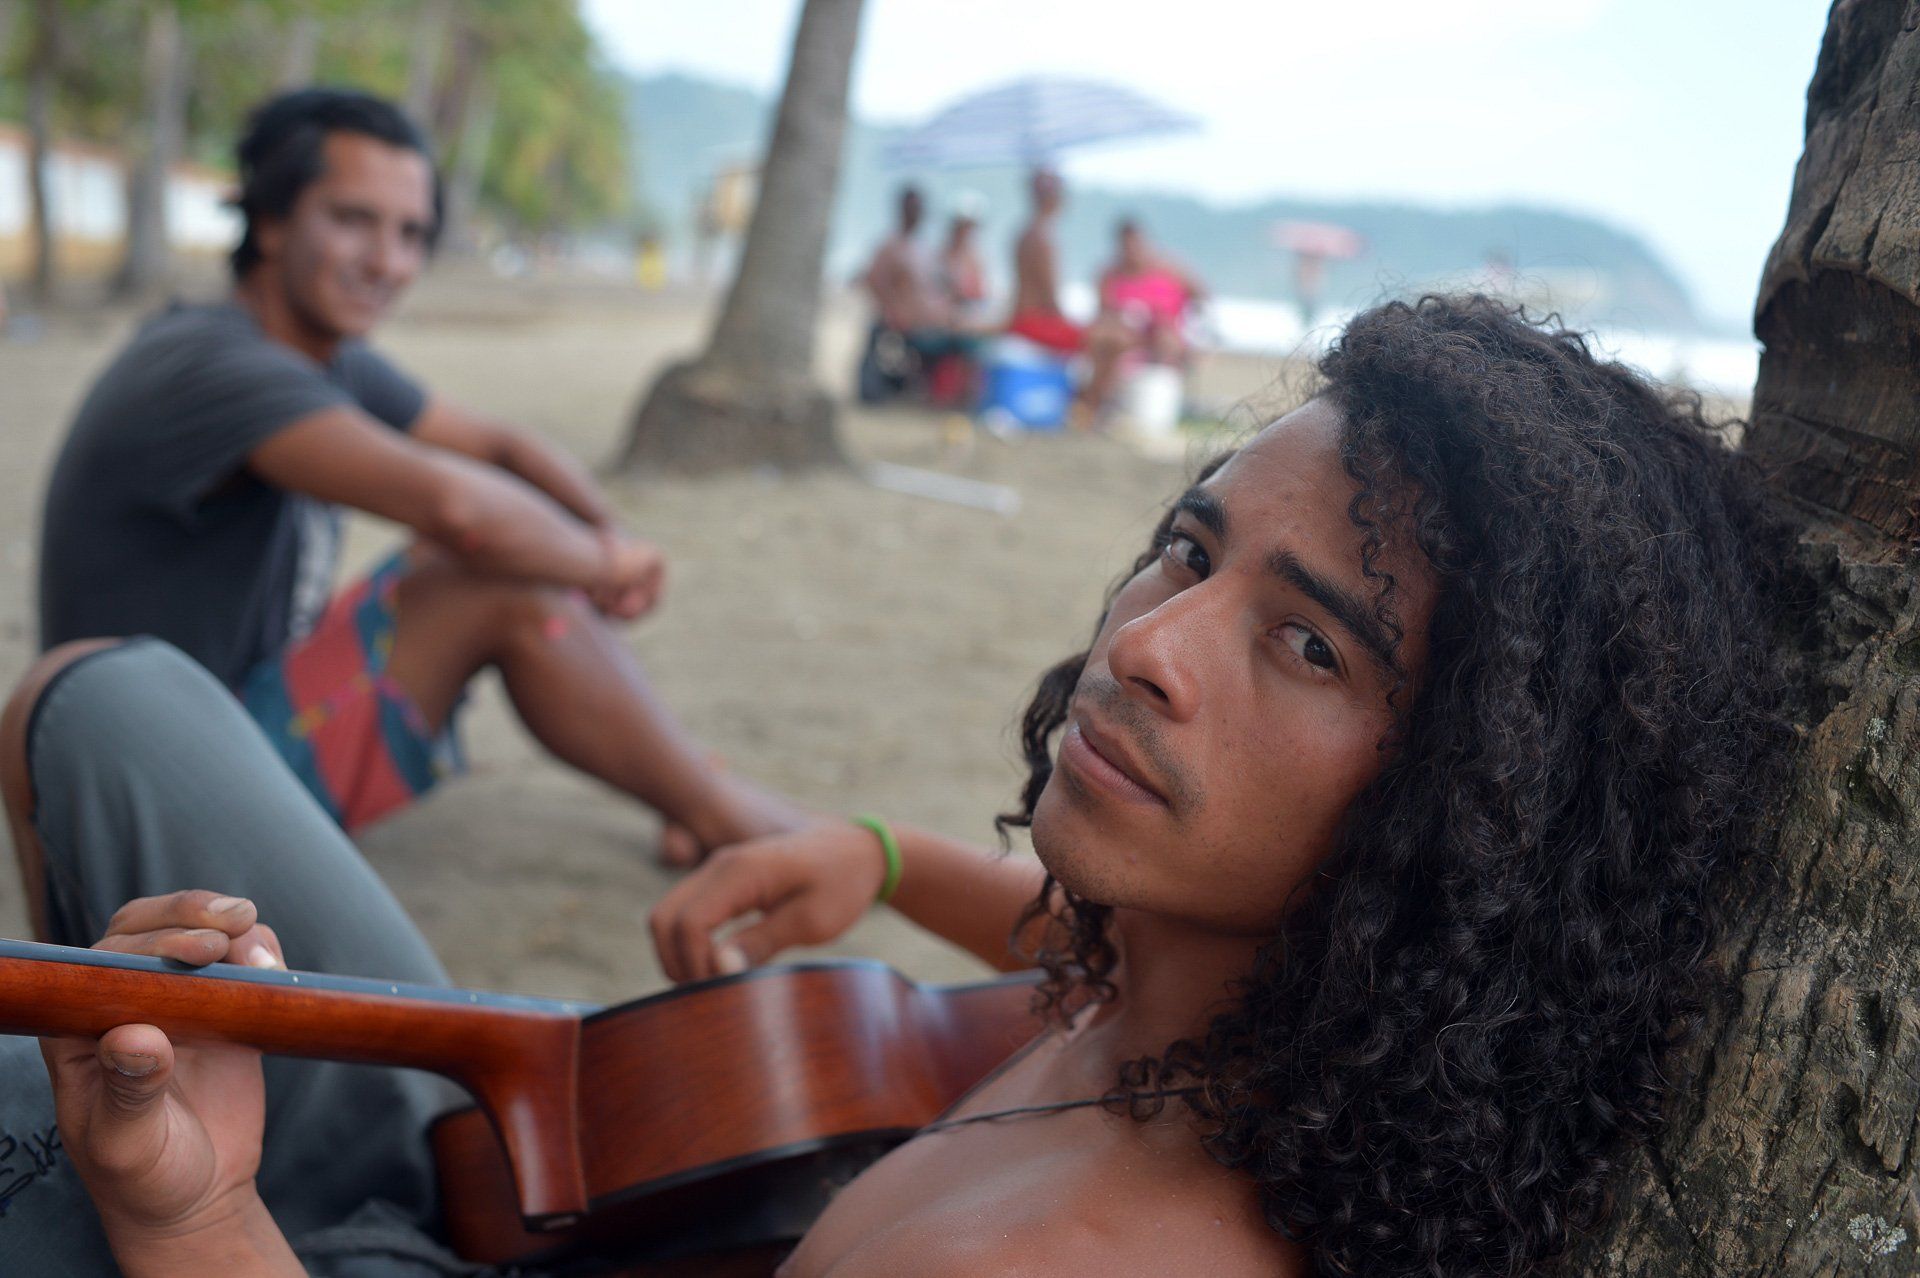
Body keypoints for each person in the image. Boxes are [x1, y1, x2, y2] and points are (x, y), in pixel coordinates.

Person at [12, 296, 1793, 1276]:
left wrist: (194, 1211)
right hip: (530, 1202)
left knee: (37, 1105)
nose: (1151, 642)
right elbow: (1055, 951)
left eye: (1310, 648)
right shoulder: (1236, 1015)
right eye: (1191, 547)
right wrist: (870, 847)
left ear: (1468, 819)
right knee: (109, 704)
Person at [33, 88, 796, 877]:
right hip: (156, 793)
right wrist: (604, 565)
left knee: (494, 556)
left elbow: (501, 446)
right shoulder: (214, 365)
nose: (387, 262)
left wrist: (608, 538)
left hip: (228, 725)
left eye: (410, 233)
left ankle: (695, 796)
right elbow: (458, 507)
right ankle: (733, 818)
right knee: (497, 576)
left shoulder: (322, 353)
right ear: (270, 222)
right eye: (352, 220)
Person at [1076, 217, 1207, 421]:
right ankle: (1094, 404)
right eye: (1126, 247)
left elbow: (1202, 299)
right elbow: (1103, 314)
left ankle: (1096, 404)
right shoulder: (1109, 275)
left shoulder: (1170, 269)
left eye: (1136, 245)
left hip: (1166, 336)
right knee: (1108, 339)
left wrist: (1193, 330)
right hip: (1127, 335)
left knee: (1162, 337)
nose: (1132, 252)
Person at [856, 185, 974, 404]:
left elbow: (942, 283)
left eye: (919, 208)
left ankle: (954, 395)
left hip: (934, 321)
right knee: (966, 342)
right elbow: (873, 281)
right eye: (912, 208)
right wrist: (892, 311)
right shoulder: (890, 246)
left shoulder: (924, 247)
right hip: (910, 325)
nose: (917, 213)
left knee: (972, 336)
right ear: (902, 209)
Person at [1004, 168, 1084, 356]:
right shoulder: (1042, 238)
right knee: (1101, 340)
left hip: (1020, 318)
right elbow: (1050, 299)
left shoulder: (1025, 232)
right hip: (1031, 323)